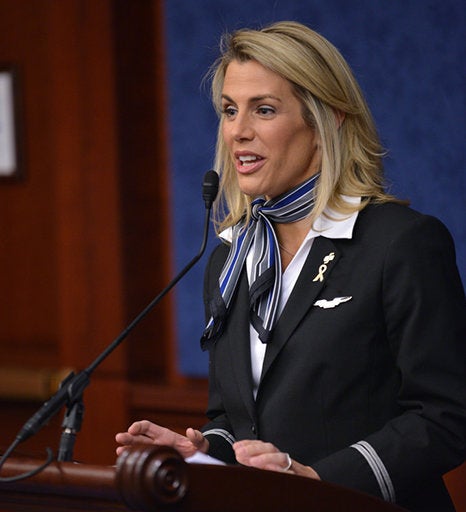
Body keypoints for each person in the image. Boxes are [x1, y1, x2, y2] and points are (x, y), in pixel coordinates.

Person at [115, 21, 466, 511]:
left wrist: (317, 478)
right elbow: (236, 420)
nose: (238, 131)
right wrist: (201, 451)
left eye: (264, 109)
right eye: (229, 111)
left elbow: (447, 416)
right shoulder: (231, 256)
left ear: (328, 122)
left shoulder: (400, 243)